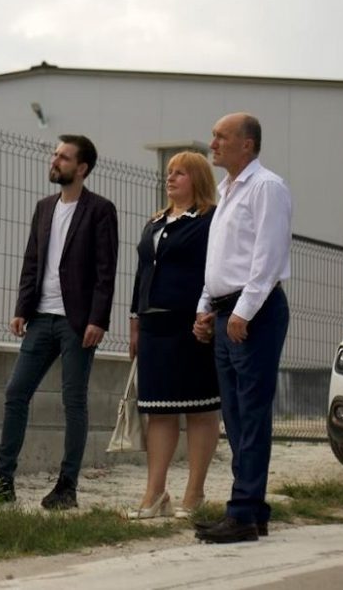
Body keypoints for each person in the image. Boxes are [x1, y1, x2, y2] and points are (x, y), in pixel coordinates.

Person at [0, 134, 119, 510]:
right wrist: (22, 308)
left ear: (81, 167)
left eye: (63, 157)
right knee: (16, 393)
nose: (55, 160)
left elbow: (106, 270)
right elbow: (32, 260)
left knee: (73, 401)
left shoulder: (100, 210)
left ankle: (67, 486)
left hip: (77, 323)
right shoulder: (44, 207)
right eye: (55, 154)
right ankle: (3, 480)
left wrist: (98, 319)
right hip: (41, 318)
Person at [192, 113, 292, 543]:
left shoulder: (267, 187)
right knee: (234, 416)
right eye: (213, 136)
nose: (212, 143)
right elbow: (219, 260)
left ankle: (243, 512)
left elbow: (268, 257)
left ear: (246, 144)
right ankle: (253, 510)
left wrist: (243, 312)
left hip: (253, 314)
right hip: (225, 312)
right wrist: (205, 308)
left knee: (251, 415)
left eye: (221, 137)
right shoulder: (227, 190)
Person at [126, 151, 220, 520]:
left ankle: (194, 494)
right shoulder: (155, 222)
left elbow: (217, 270)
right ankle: (155, 494)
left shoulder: (210, 220)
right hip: (154, 327)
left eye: (180, 173)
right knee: (159, 412)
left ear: (198, 179)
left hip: (191, 326)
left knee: (199, 409)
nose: (171, 178)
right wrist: (135, 321)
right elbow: (141, 275)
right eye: (169, 172)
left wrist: (210, 314)